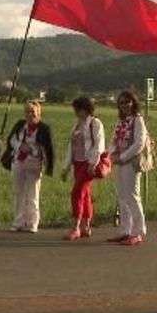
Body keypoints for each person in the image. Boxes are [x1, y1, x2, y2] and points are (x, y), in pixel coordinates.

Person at [4, 100, 55, 233]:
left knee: (33, 194)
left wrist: (34, 151)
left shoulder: (44, 128)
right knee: (18, 193)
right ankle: (18, 222)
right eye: (27, 111)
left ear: (39, 113)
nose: (30, 114)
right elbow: (11, 140)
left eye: (33, 111)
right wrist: (21, 146)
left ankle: (33, 223)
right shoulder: (20, 125)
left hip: (34, 164)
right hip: (19, 162)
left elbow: (48, 149)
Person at [61, 96, 105, 241]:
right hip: (77, 163)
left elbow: (99, 145)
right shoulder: (76, 124)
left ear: (85, 109)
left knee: (76, 193)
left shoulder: (95, 123)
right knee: (85, 194)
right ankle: (86, 226)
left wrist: (93, 163)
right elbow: (71, 147)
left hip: (88, 163)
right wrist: (66, 167)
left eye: (78, 109)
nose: (76, 112)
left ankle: (76, 227)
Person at [109, 91, 148, 246]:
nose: (124, 105)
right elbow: (113, 140)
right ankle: (125, 230)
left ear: (133, 103)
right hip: (119, 162)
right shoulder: (121, 122)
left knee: (132, 196)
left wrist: (123, 156)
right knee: (122, 197)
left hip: (131, 163)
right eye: (121, 102)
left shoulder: (138, 120)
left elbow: (139, 143)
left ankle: (138, 232)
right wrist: (111, 153)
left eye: (127, 102)